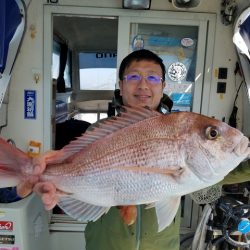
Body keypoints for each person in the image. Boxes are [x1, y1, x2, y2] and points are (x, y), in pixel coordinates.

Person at [17, 49, 250, 250]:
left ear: (163, 86)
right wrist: (57, 187)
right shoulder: (99, 131)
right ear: (120, 85)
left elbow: (226, 169)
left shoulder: (183, 137)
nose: (143, 85)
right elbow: (75, 173)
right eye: (133, 77)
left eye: (153, 78)